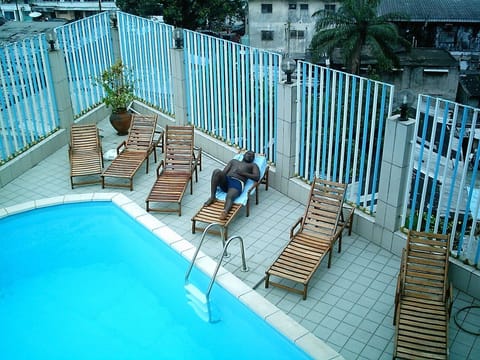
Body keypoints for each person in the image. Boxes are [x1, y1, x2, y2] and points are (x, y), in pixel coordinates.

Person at [204, 150, 260, 220]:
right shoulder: (234, 161)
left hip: (237, 183)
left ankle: (225, 212)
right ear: (244, 154)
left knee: (230, 196)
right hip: (227, 180)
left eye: (252, 156)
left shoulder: (253, 165)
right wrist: (219, 179)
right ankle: (213, 197)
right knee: (217, 171)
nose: (250, 156)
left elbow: (257, 177)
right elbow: (224, 172)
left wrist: (242, 173)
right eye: (248, 154)